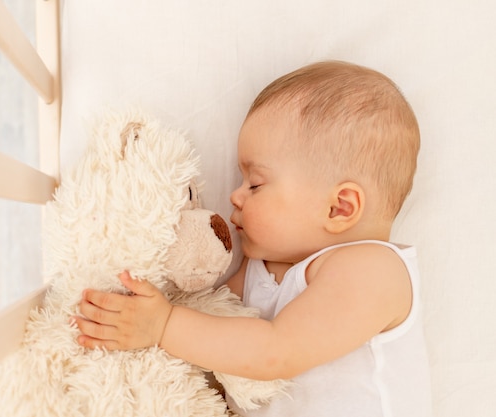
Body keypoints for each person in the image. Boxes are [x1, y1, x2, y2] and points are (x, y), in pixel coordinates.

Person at [73, 61, 433, 416]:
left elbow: (276, 352)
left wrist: (164, 325)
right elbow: (208, 323)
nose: (235, 195)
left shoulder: (374, 271)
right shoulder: (258, 270)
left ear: (339, 207)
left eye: (255, 183)